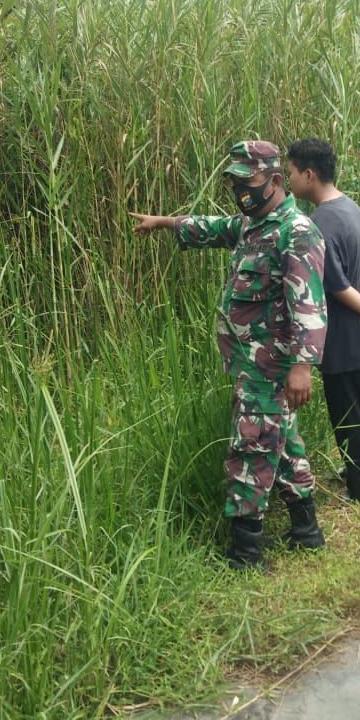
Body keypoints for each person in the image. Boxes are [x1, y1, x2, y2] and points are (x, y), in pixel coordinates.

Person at [129, 140, 328, 571]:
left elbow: (309, 304)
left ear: (275, 180)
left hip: (271, 367)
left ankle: (245, 553)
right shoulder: (250, 225)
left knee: (252, 447)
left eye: (246, 181)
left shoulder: (296, 231)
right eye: (233, 182)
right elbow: (211, 227)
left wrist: (302, 366)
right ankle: (307, 531)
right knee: (284, 442)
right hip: (251, 364)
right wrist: (164, 222)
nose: (238, 189)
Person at [286, 138, 360, 505]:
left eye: (290, 173)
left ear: (309, 174)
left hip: (344, 339)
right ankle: (359, 471)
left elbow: (337, 286)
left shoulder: (319, 222)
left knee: (350, 416)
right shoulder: (352, 208)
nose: (288, 181)